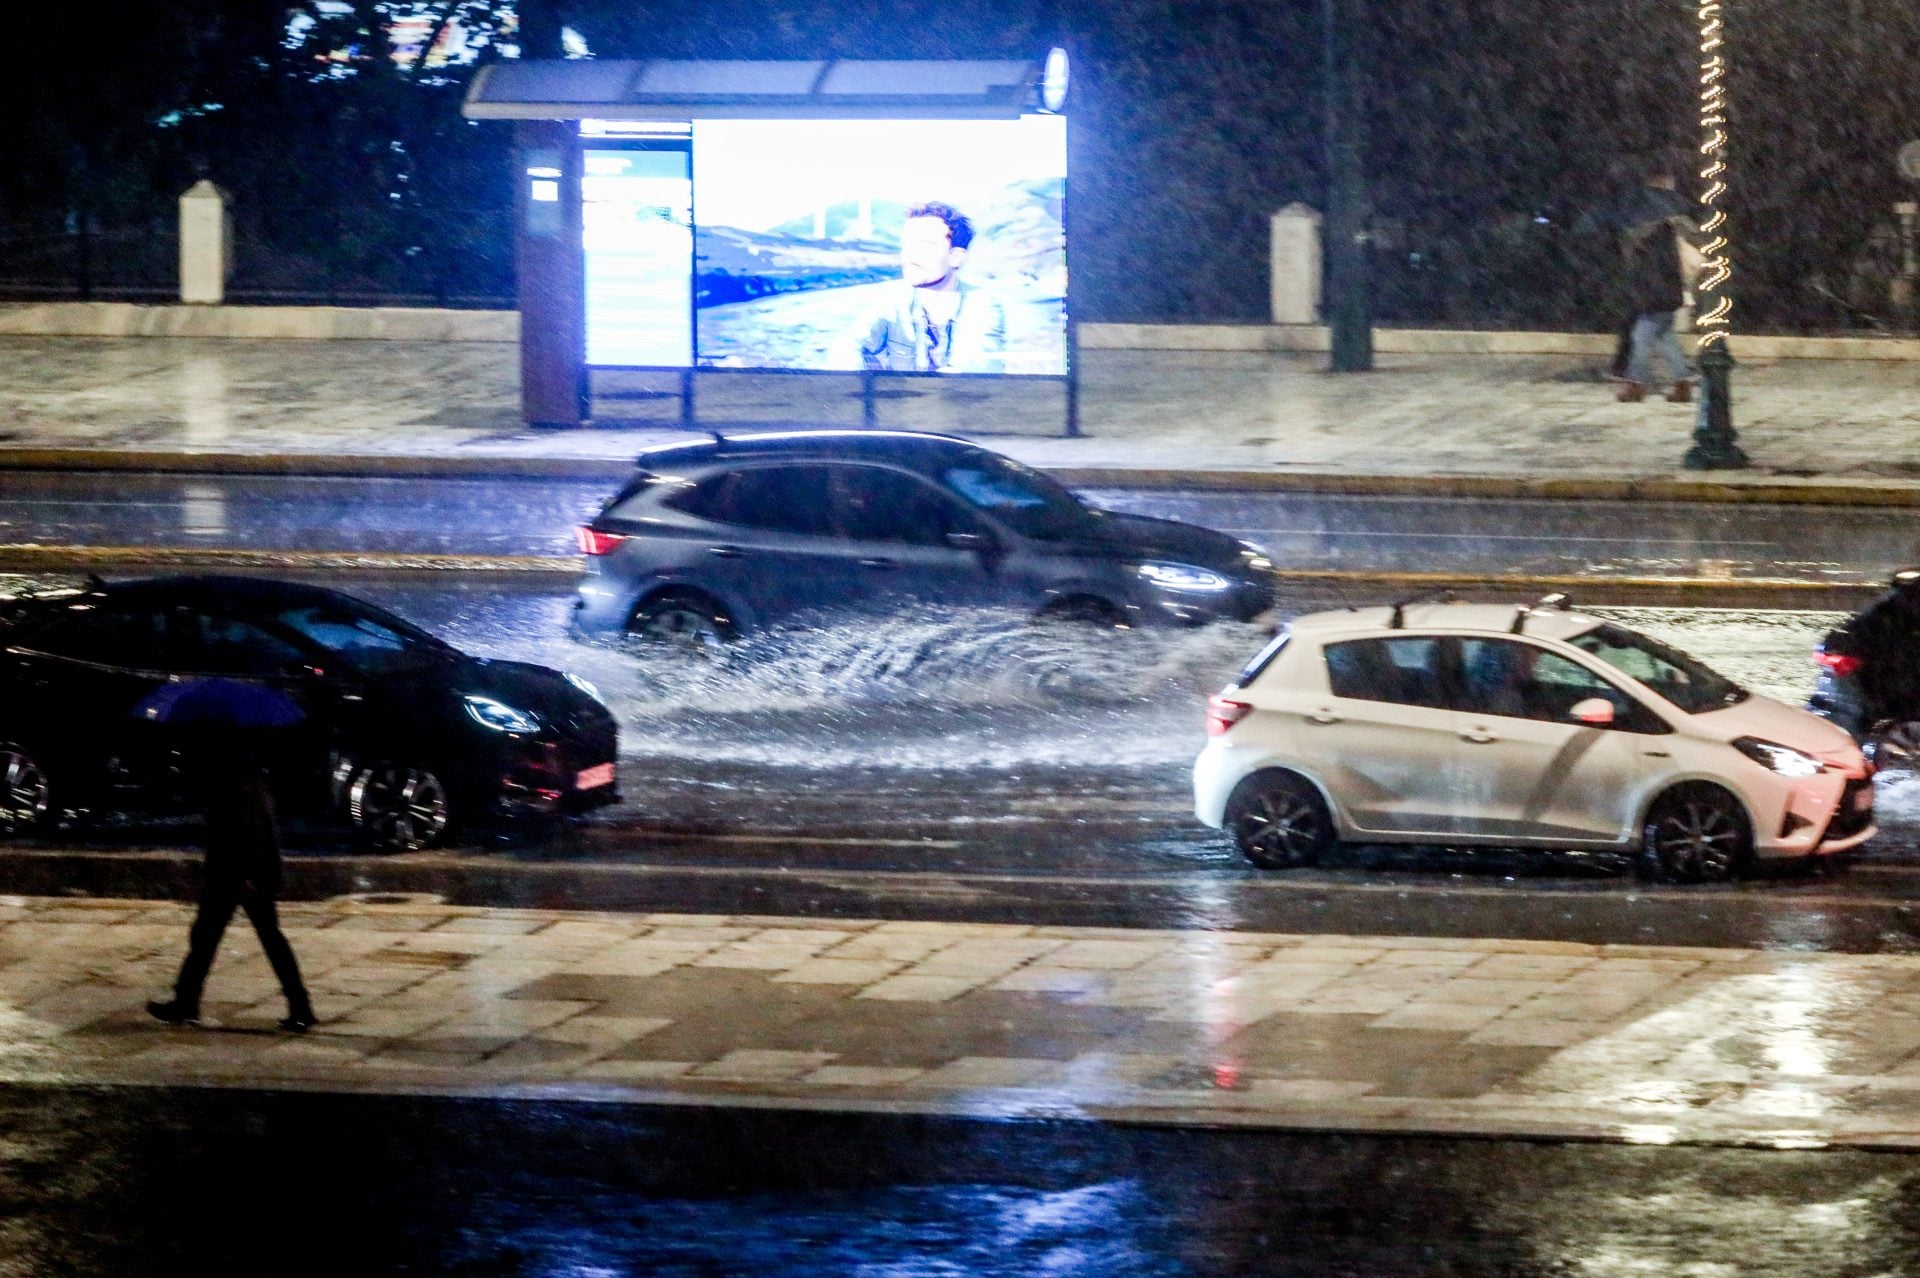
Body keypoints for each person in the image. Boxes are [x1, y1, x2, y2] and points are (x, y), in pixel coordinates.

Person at [148, 737, 314, 1032]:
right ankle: (299, 1004)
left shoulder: (231, 783)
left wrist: (244, 876)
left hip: (235, 873)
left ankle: (186, 1002)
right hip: (244, 871)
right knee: (223, 937)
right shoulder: (251, 779)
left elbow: (241, 831)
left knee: (216, 938)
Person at [855, 202, 1007, 374]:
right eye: (906, 245)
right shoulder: (892, 301)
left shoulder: (981, 304)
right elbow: (850, 345)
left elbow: (972, 370)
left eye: (925, 246)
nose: (909, 255)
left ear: (955, 257)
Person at [1615, 170, 1699, 404]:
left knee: (1641, 336)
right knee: (1665, 336)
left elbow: (1640, 258)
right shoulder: (1671, 224)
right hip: (1667, 289)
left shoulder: (1648, 228)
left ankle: (1635, 385)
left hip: (1654, 291)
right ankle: (1682, 383)